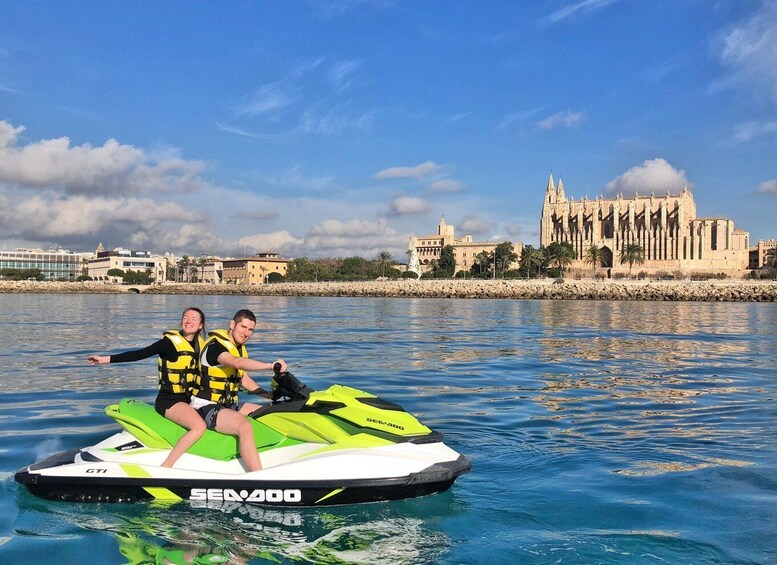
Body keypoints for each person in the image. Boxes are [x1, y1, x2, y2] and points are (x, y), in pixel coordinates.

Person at [87, 307, 208, 469]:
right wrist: (106, 360)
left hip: (191, 399)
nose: (189, 321)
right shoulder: (168, 343)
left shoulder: (202, 346)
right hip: (170, 401)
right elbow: (140, 353)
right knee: (199, 427)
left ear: (201, 325)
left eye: (194, 319)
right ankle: (167, 466)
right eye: (186, 317)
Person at [190, 309, 286, 472]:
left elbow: (243, 379)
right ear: (232, 324)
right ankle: (258, 477)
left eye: (250, 330)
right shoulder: (216, 346)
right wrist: (270, 366)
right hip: (205, 406)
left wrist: (267, 395)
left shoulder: (238, 347)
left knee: (271, 413)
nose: (246, 333)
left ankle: (278, 458)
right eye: (243, 327)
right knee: (244, 426)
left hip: (227, 406)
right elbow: (236, 362)